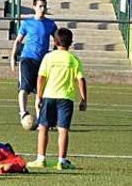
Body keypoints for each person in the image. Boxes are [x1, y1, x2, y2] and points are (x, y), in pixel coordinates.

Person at [30, 28, 87, 170]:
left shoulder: (49, 57)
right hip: (66, 98)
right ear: (71, 43)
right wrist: (84, 99)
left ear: (54, 42)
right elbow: (81, 79)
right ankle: (62, 160)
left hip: (49, 96)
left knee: (43, 127)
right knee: (63, 129)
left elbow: (41, 77)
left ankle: (41, 158)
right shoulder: (73, 59)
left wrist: (39, 96)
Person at [11, 0, 57, 121]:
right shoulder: (27, 23)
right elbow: (18, 41)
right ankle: (23, 113)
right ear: (34, 7)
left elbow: (58, 40)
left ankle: (40, 118)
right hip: (27, 59)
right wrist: (13, 57)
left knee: (40, 91)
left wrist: (53, 53)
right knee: (24, 87)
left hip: (42, 61)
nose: (43, 9)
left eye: (44, 6)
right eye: (40, 6)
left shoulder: (50, 24)